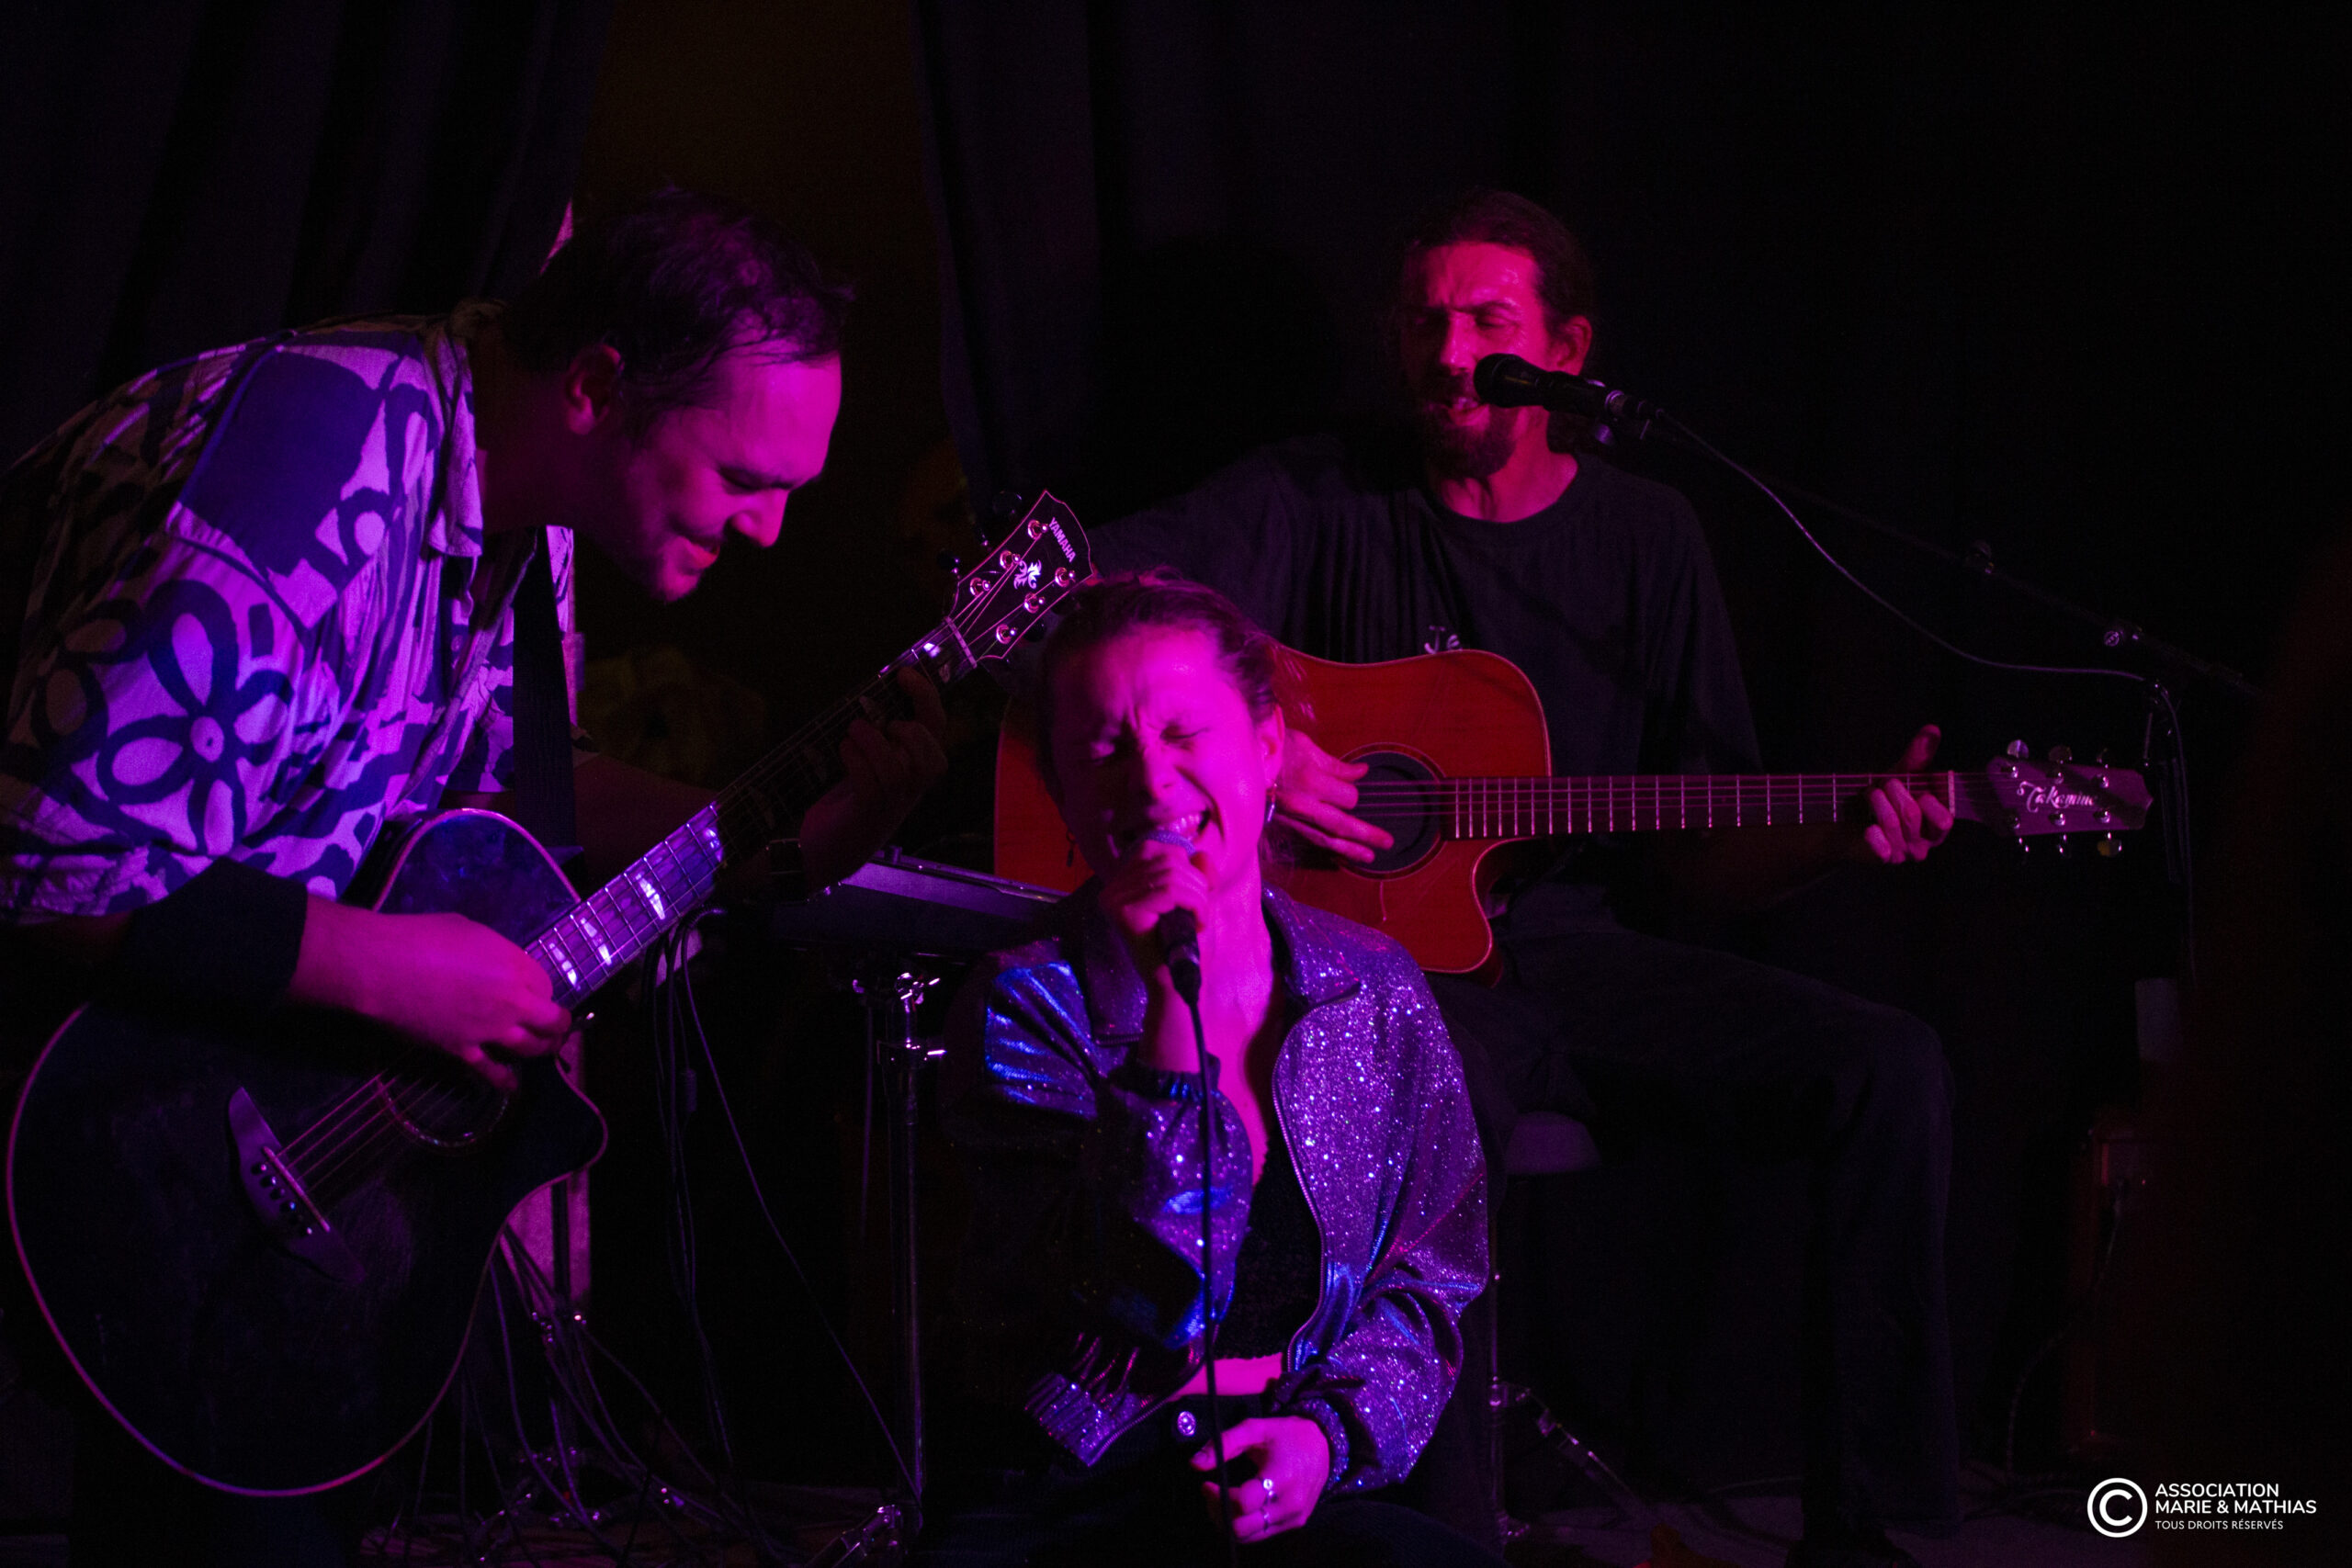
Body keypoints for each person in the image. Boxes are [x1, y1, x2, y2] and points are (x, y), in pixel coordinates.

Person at [0, 189, 946, 1564]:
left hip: (198, 1111)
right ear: (598, 388)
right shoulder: (310, 466)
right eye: (747, 479)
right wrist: (394, 970)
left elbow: (516, 785)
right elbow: (59, 863)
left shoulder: (530, 501)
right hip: (65, 1109)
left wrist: (779, 836)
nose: (768, 533)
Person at [1084, 190, 1958, 1568]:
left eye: (1486, 321)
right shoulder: (1317, 495)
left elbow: (1701, 850)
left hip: (1582, 958)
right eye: (1423, 322)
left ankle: (1871, 1529)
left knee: (1885, 1067)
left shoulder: (1647, 536)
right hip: (1379, 975)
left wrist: (1839, 834)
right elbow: (1096, 591)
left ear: (1566, 348)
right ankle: (1444, 1537)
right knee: (1436, 1103)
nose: (1450, 353)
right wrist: (1266, 754)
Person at [922, 572, 1497, 1567]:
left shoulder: (1373, 989)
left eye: (1184, 734)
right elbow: (1140, 1304)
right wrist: (1167, 1014)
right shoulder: (1023, 1003)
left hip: (1292, 1475)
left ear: (1269, 747)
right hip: (1076, 1490)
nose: (1150, 784)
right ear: (1060, 790)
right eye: (1102, 749)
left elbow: (1431, 1274)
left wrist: (1324, 1439)